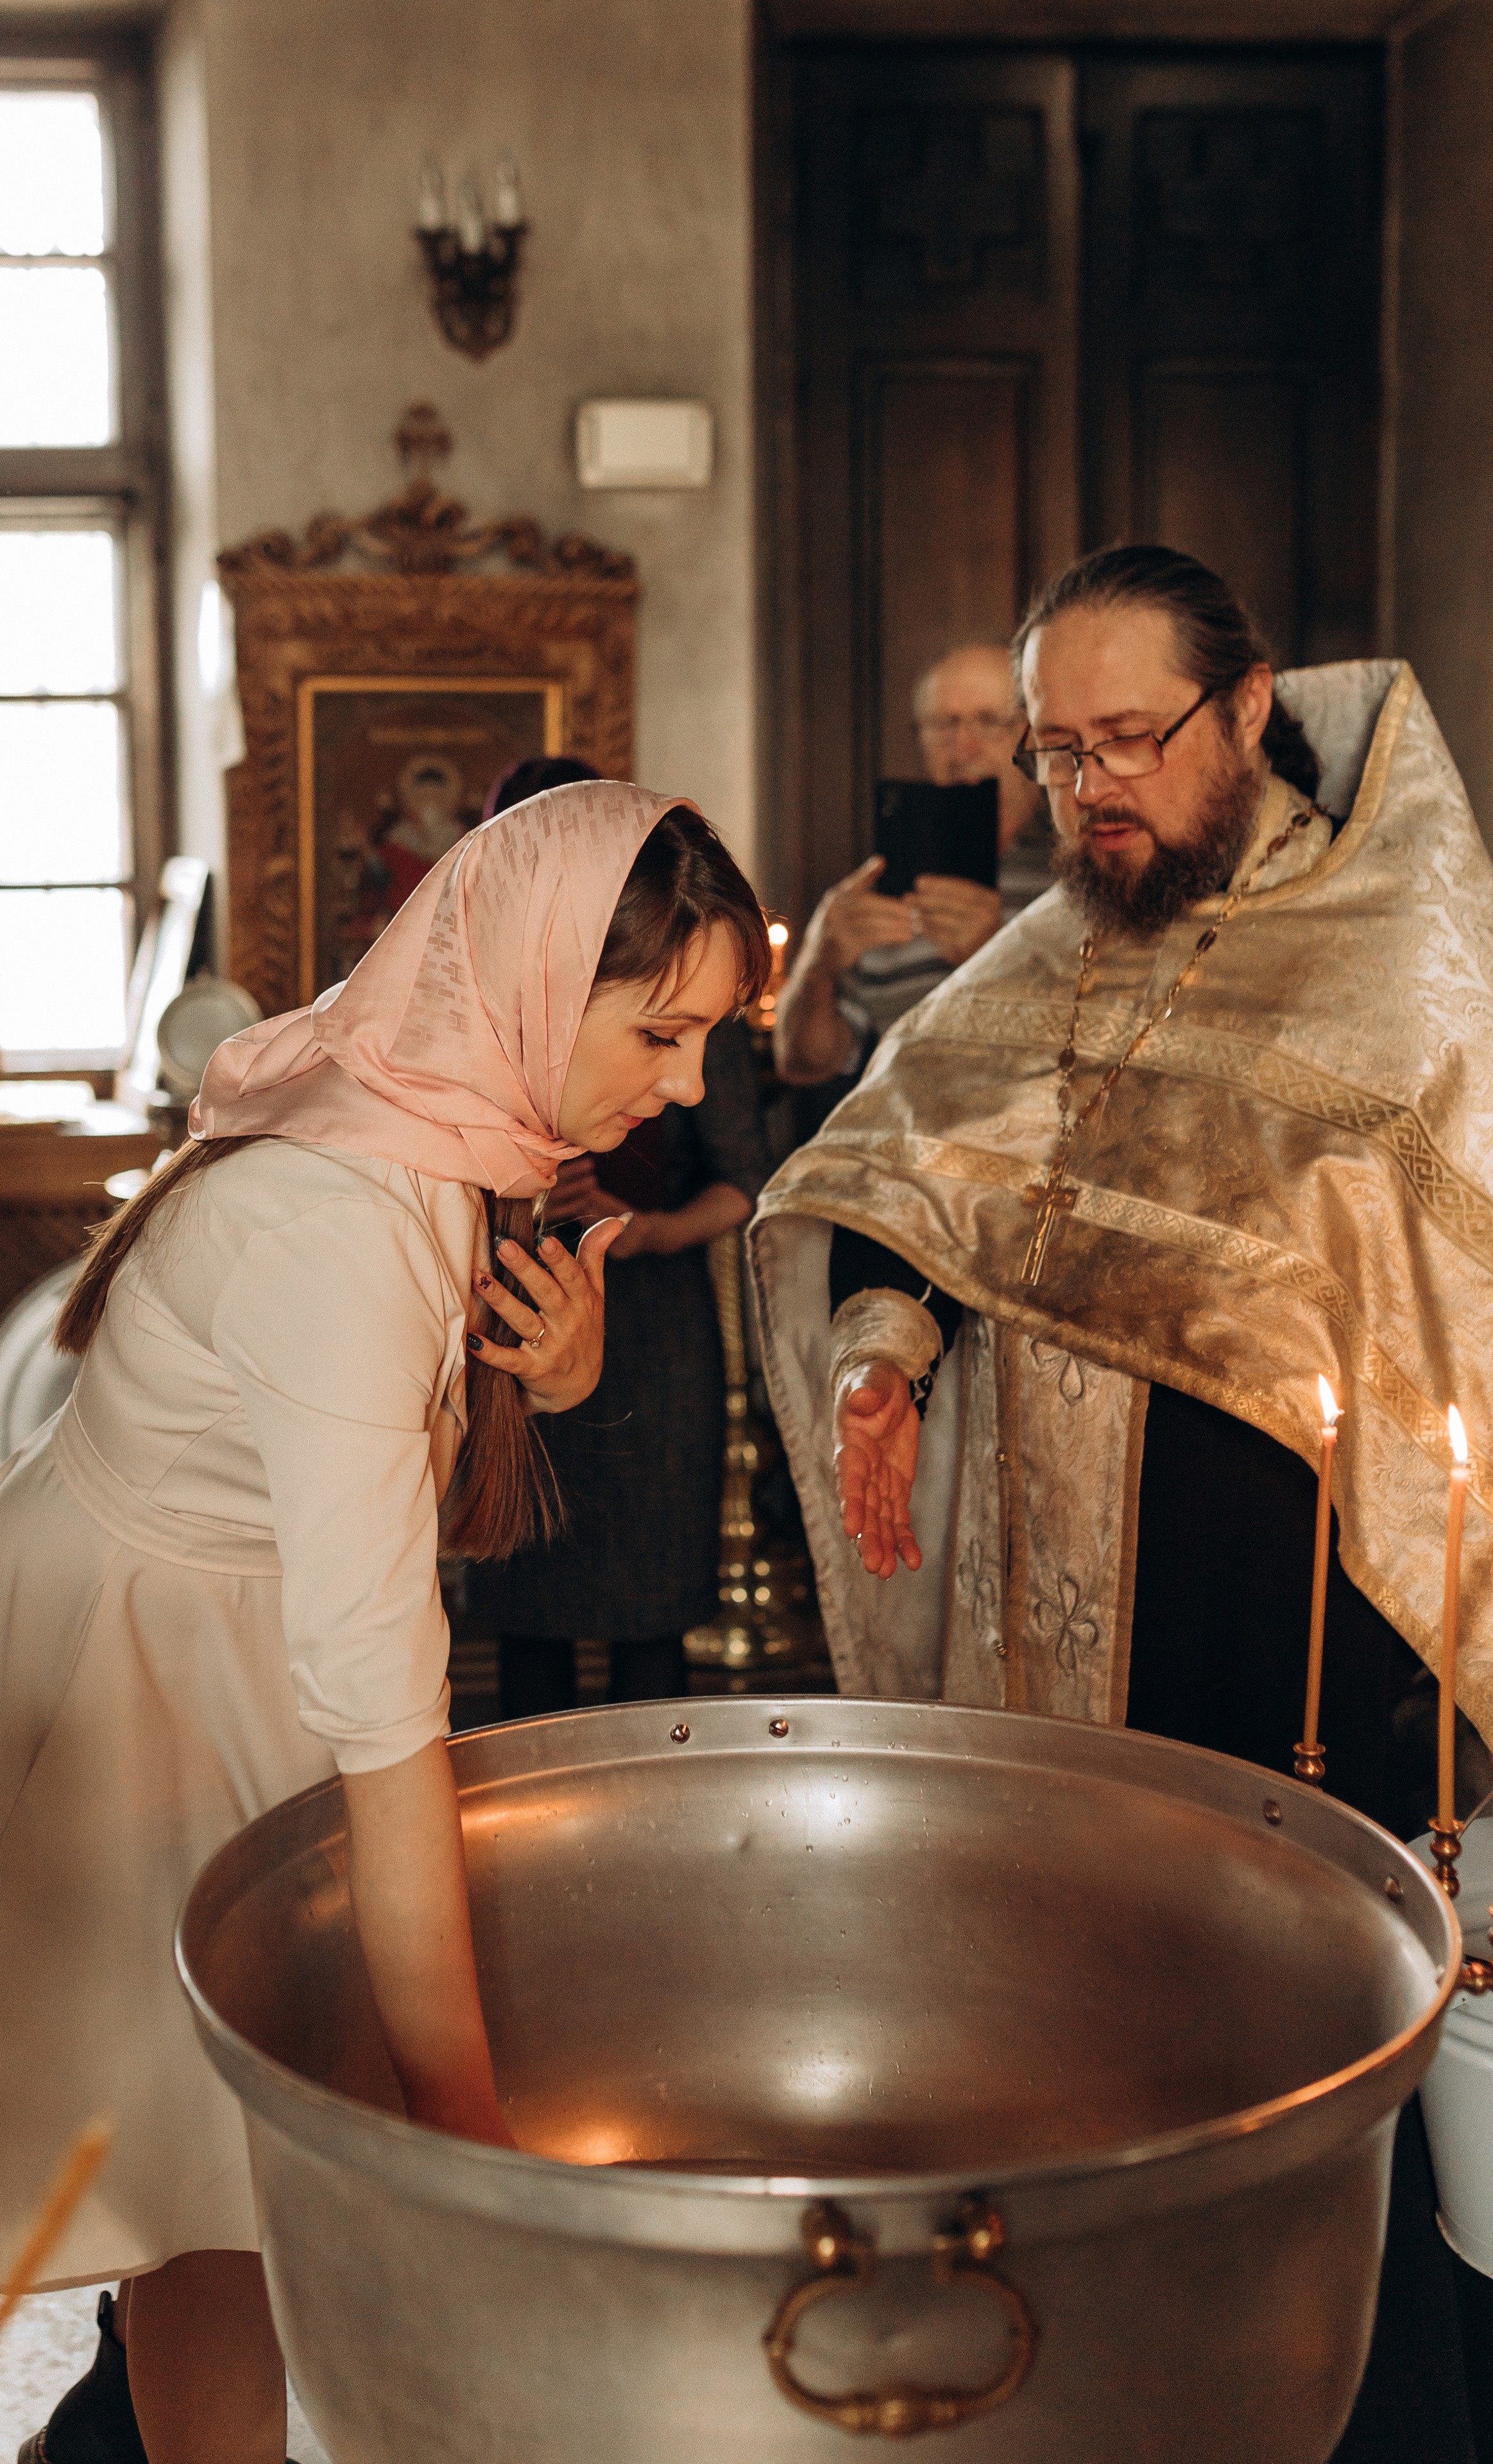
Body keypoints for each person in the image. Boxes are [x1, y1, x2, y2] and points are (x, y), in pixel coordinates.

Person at [0, 781, 770, 2464]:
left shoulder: (436, 1094)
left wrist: (550, 1373)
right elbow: (384, 1703)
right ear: (533, 985)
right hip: (137, 1660)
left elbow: (393, 1435)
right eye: (665, 1030)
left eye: (713, 1036)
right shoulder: (333, 1223)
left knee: (231, 2150)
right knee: (212, 2176)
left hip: (232, 1616)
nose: (690, 1084)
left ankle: (118, 2430)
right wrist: (466, 2125)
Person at [749, 545, 1493, 2464]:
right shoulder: (1052, 944)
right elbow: (927, 1181)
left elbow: (1447, 1304)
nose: (1091, 788)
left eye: (1129, 740)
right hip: (1057, 1596)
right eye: (1056, 753)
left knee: (1291, 2064)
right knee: (1073, 2043)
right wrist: (887, 1350)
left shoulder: (1403, 946)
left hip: (1299, 1633)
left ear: (1246, 713)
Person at [465, 758, 774, 1715]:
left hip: (650, 1339)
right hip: (518, 1306)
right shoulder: (479, 1015)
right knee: (530, 1616)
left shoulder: (680, 1001)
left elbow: (751, 1183)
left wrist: (645, 1230)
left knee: (651, 1621)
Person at [772, 641, 1049, 1093]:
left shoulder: (1075, 876)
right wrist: (818, 965)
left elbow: (1102, 1062)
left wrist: (995, 955)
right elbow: (802, 1063)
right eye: (943, 726)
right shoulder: (884, 882)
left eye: (990, 722)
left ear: (1035, 735)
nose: (962, 748)